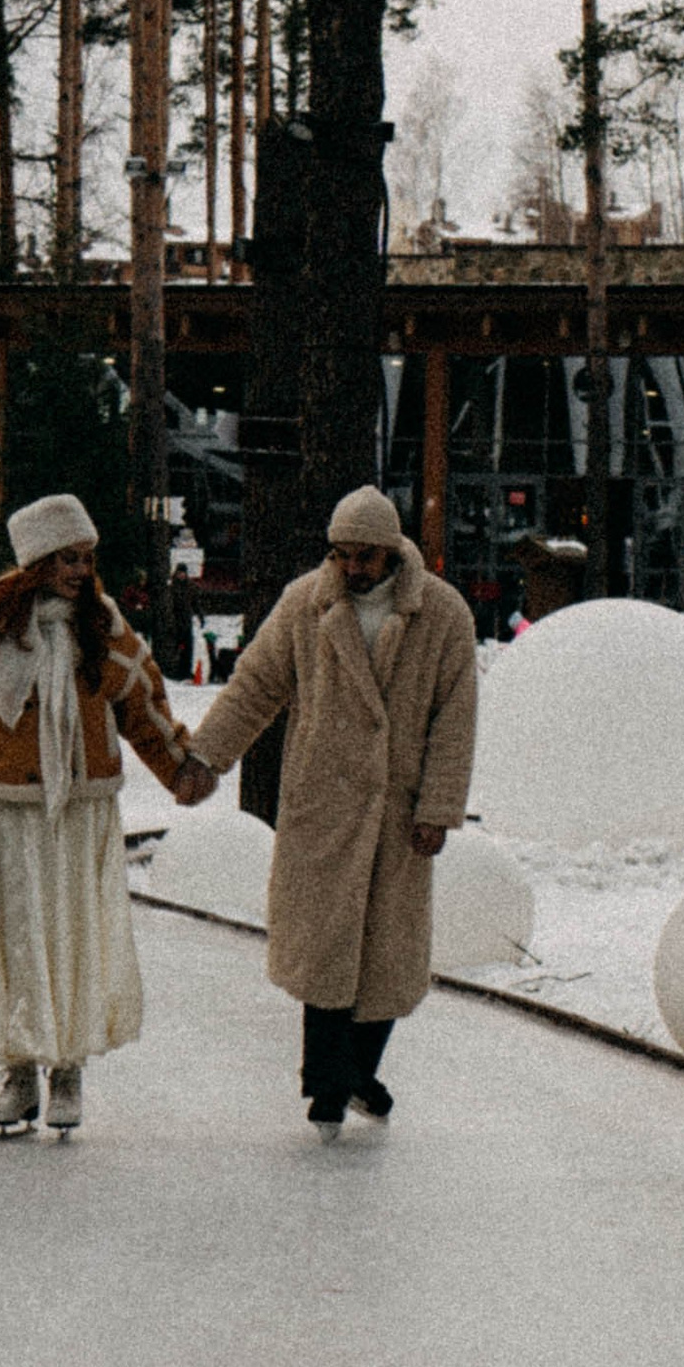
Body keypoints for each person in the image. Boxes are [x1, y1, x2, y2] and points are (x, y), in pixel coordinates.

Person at [0, 490, 216, 1138]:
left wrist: (181, 768)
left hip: (81, 808)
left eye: (85, 558)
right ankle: (17, 1071)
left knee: (70, 935)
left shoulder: (102, 623)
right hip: (11, 809)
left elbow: (145, 703)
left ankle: (66, 1068)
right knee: (14, 938)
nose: (78, 570)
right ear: (36, 560)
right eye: (66, 558)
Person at [184, 482, 478, 1138]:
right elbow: (255, 686)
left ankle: (353, 1075)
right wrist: (207, 757)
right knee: (325, 948)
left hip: (397, 813)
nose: (352, 569)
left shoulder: (444, 615)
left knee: (385, 954)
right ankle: (326, 1086)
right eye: (342, 554)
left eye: (365, 557)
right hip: (323, 803)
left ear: (393, 551)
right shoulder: (304, 605)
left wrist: (438, 807)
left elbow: (455, 721)